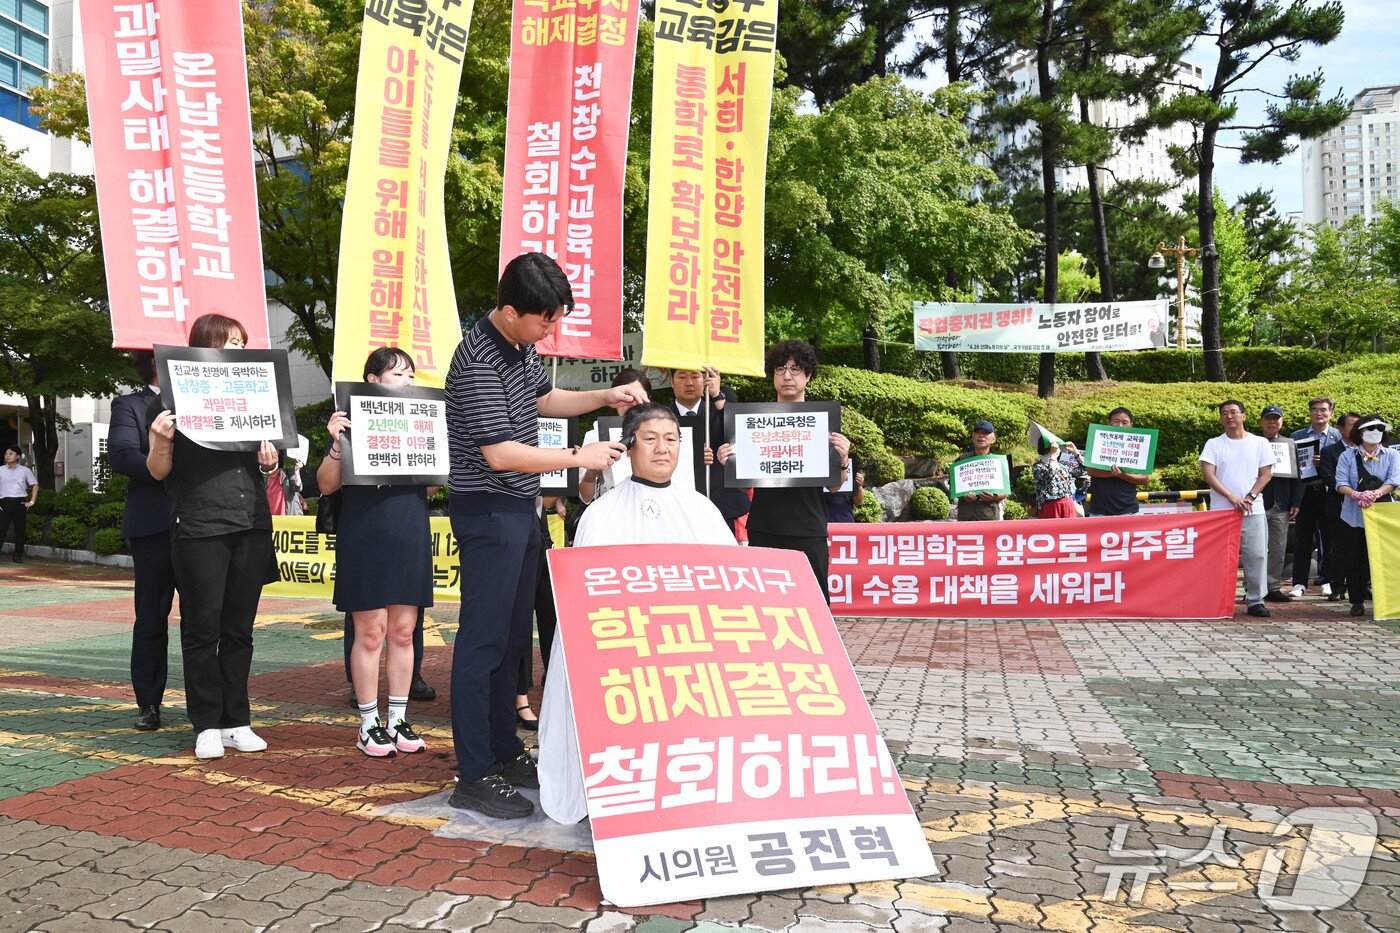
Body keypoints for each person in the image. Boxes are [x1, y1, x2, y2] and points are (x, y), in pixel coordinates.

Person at [444, 252, 647, 820]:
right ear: (511, 311)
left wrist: (604, 397)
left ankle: (504, 751)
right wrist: (577, 455)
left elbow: (544, 399)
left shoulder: (520, 346)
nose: (551, 330)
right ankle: (474, 773)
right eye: (545, 320)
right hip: (488, 510)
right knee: (482, 641)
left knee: (512, 640)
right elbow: (501, 454)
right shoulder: (477, 359)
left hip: (520, 510)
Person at [540, 402, 735, 823]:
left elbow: (730, 586)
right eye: (649, 439)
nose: (662, 448)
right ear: (628, 448)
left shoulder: (703, 510)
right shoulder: (602, 514)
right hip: (625, 660)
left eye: (671, 439)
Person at [145, 313, 278, 761]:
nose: (239, 350)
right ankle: (205, 724)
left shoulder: (255, 393)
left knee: (239, 630)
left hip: (250, 522)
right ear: (204, 345)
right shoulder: (170, 399)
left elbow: (269, 462)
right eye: (230, 342)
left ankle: (237, 721)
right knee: (202, 629)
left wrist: (270, 462)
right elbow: (157, 471)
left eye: (242, 343)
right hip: (200, 526)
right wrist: (160, 441)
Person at [317, 347, 434, 758]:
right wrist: (336, 443)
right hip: (365, 532)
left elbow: (433, 483)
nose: (407, 381)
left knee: (403, 630)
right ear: (372, 379)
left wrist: (434, 446)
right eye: (398, 374)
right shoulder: (349, 420)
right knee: (370, 632)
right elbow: (326, 485)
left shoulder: (423, 416)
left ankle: (397, 718)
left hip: (409, 529)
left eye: (410, 375)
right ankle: (368, 722)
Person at [716, 341, 850, 602]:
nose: (787, 376)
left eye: (795, 369)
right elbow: (745, 486)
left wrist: (842, 459)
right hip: (765, 526)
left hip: (809, 527)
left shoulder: (822, 421)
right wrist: (729, 464)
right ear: (772, 375)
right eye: (780, 369)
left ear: (808, 376)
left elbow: (834, 486)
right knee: (769, 603)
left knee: (814, 602)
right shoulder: (754, 422)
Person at [108, 351, 177, 731]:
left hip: (201, 522)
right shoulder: (130, 405)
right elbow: (121, 456)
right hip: (152, 525)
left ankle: (209, 707)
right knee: (151, 616)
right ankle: (148, 703)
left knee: (206, 621)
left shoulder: (204, 401)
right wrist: (160, 464)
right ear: (153, 362)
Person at [1198, 400, 1274, 618]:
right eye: (1224, 413)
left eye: (1233, 412)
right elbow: (1209, 475)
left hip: (1253, 509)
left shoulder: (1260, 442)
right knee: (1220, 557)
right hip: (1221, 511)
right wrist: (1231, 497)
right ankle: (1218, 599)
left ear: (1244, 415)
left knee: (1257, 555)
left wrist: (1250, 497)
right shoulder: (1213, 443)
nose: (1229, 416)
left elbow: (1266, 474)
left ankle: (1256, 600)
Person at [671, 366, 751, 532]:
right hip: (675, 504)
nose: (689, 382)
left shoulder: (719, 409)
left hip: (720, 502)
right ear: (672, 382)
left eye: (695, 376)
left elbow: (741, 437)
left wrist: (717, 396)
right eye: (682, 377)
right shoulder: (661, 416)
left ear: (705, 381)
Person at [1335, 415, 1399, 618]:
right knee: (1354, 559)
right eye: (1371, 428)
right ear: (1360, 432)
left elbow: (1394, 479)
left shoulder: (1392, 455)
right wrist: (1356, 495)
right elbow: (1340, 483)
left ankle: (1385, 601)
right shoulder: (1347, 456)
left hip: (1382, 516)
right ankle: (1356, 601)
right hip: (1353, 516)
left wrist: (1376, 493)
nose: (1375, 432)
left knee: (1383, 559)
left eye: (1379, 428)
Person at [1288, 397, 1343, 598]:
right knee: (1303, 539)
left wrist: (1325, 462)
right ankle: (1299, 583)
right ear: (1310, 413)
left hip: (1330, 493)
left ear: (1331, 413)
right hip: (1306, 493)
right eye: (1315, 410)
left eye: (1323, 410)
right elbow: (1292, 467)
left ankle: (1327, 579)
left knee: (1329, 540)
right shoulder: (1297, 436)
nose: (1319, 413)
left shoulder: (1339, 436)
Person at [577, 368, 651, 504]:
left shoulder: (664, 435)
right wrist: (591, 474)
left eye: (639, 396)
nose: (632, 402)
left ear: (648, 399)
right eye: (626, 396)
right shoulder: (596, 436)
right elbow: (585, 497)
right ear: (614, 399)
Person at [1259, 405, 1303, 602]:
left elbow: (1298, 476)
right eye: (1268, 418)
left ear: (1282, 422)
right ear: (1261, 422)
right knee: (1255, 549)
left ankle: (1273, 587)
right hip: (1257, 503)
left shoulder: (1290, 444)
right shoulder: (1253, 443)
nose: (1272, 422)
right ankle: (1253, 587)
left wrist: (1296, 502)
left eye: (1276, 418)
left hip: (1281, 504)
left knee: (1277, 549)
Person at [1319, 412, 1362, 603]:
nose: (1357, 430)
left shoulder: (1367, 450)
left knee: (1363, 548)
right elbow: (1328, 477)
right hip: (1339, 505)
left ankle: (1363, 586)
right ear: (1341, 429)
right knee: (1338, 548)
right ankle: (1337, 586)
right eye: (1352, 426)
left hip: (1364, 507)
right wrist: (1351, 492)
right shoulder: (1330, 451)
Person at [1085, 408, 1154, 517]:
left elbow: (1144, 479)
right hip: (1099, 511)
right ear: (1108, 423)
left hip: (1128, 510)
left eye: (1125, 422)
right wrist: (1113, 473)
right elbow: (1090, 471)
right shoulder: (1097, 441)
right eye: (1116, 421)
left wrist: (1121, 474)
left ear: (1131, 425)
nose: (1120, 426)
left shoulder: (1140, 447)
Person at [953, 421, 1008, 522]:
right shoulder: (960, 461)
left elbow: (1006, 491)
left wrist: (994, 497)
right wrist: (964, 496)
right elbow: (953, 487)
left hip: (989, 517)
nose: (981, 436)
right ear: (972, 437)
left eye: (986, 433)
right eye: (978, 432)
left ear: (993, 439)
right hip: (966, 517)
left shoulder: (999, 462)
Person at [1031, 436, 1085, 518]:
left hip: (1067, 505)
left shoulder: (1062, 466)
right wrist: (1053, 455)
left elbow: (1082, 469)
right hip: (1051, 507)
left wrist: (1076, 453)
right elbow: (1050, 474)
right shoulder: (1038, 466)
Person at [0, 445, 37, 563]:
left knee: (20, 531)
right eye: (6, 454)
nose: (7, 456)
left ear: (18, 456)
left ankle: (17, 556)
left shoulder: (25, 471)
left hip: (19, 503)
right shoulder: (1, 470)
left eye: (11, 453)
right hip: (4, 503)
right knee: (1, 530)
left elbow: (34, 485)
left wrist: (32, 501)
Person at [827, 456, 864, 524]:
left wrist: (859, 486)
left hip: (844, 520)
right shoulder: (819, 466)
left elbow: (857, 503)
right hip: (822, 521)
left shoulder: (850, 465)